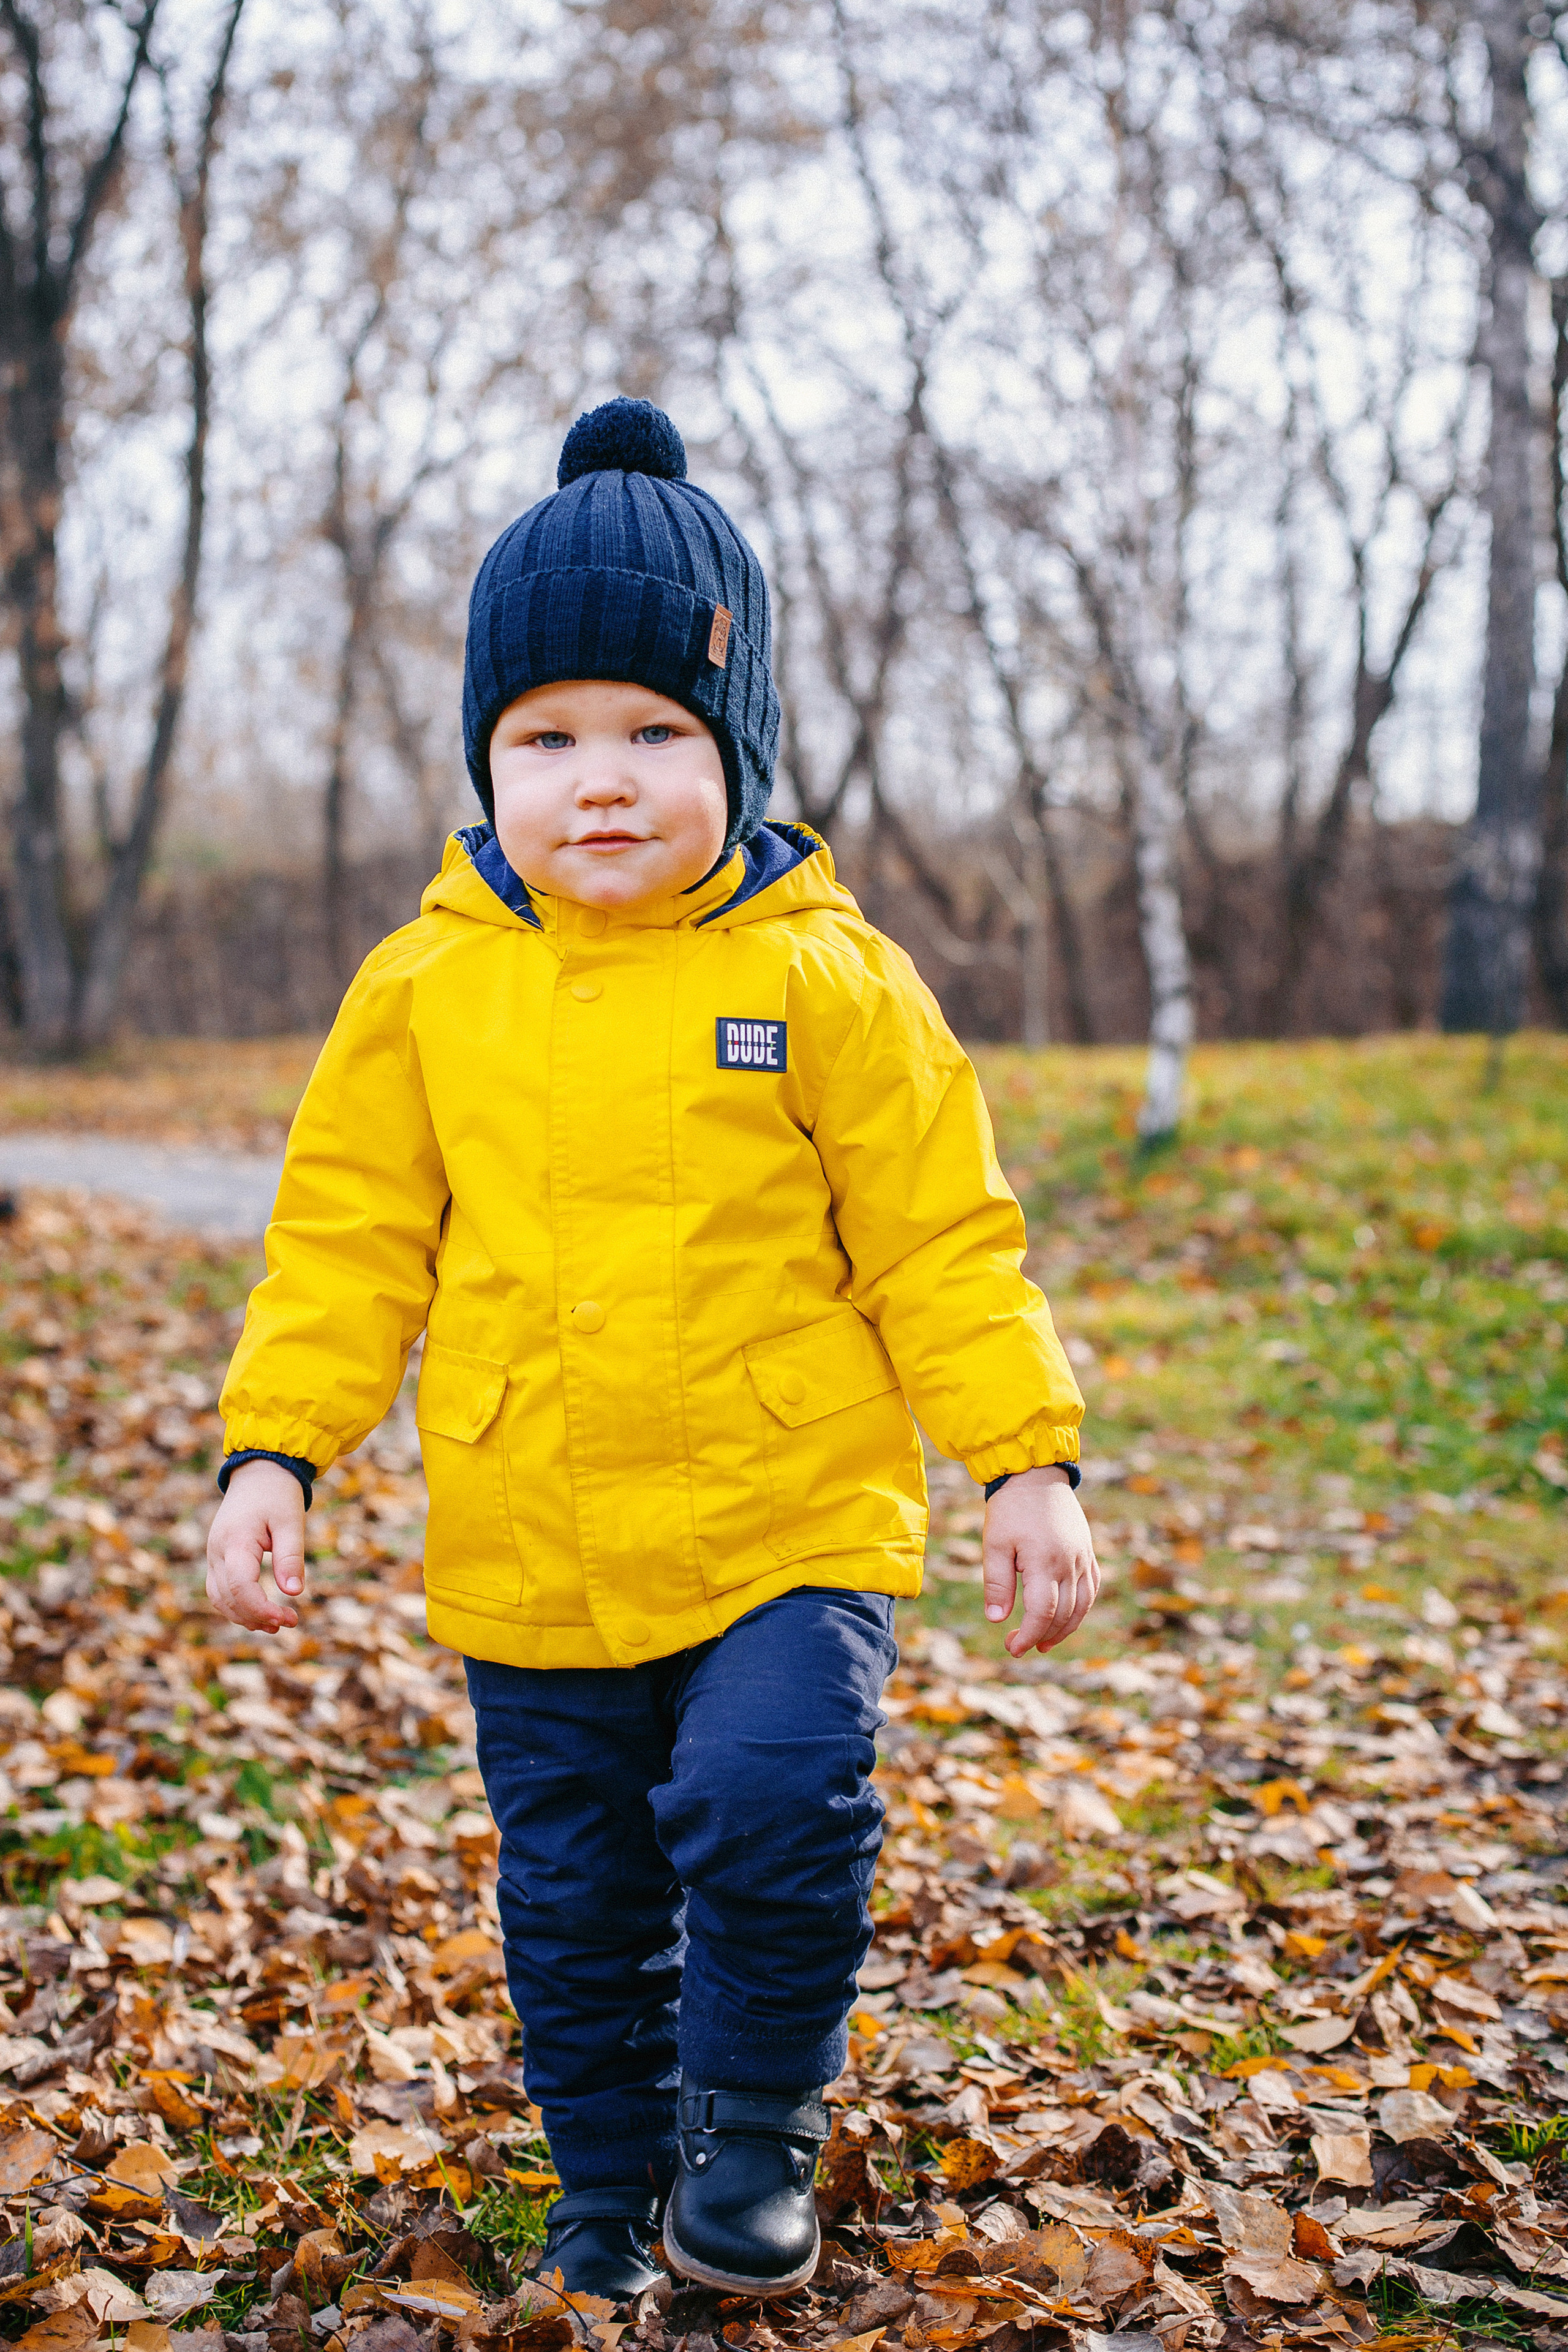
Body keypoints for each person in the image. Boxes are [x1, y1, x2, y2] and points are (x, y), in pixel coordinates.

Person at [205, 399, 1099, 2303]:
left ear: (741, 750)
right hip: (533, 1537)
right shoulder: (428, 986)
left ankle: (752, 2128)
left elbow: (944, 1236)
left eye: (654, 735)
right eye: (546, 739)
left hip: (789, 1515)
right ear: (486, 761)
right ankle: (609, 2187)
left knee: (776, 1809)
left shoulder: (827, 975)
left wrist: (1023, 1456)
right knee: (576, 1900)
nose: (599, 780)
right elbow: (349, 1241)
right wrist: (275, 1451)